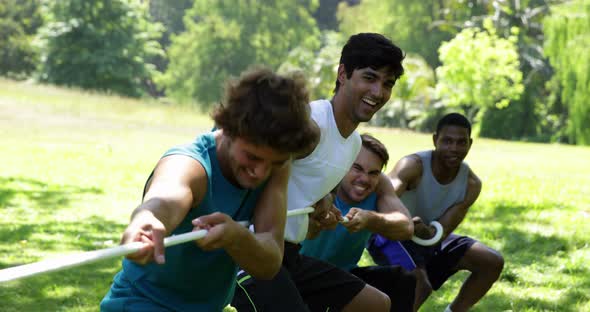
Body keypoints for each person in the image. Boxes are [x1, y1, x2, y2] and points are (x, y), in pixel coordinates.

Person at [100, 67, 320, 311]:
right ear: (228, 128)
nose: (260, 172)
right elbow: (163, 201)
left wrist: (236, 237)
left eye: (274, 162)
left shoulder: (276, 164)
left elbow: (269, 262)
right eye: (252, 157)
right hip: (142, 304)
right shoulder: (190, 164)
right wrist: (146, 221)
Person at [232, 33, 413, 312]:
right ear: (343, 73)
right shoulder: (312, 123)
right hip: (252, 254)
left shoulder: (353, 144)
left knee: (376, 304)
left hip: (289, 254)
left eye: (387, 84)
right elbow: (244, 172)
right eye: (369, 77)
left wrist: (321, 210)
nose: (378, 92)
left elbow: (308, 204)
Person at [367, 113, 505, 312]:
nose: (454, 149)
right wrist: (404, 221)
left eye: (461, 142)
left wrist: (425, 232)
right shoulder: (413, 166)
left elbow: (442, 230)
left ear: (470, 143)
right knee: (419, 285)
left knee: (491, 261)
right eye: (447, 141)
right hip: (389, 233)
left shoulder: (471, 184)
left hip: (426, 238)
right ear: (435, 140)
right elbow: (382, 197)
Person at [300, 133, 416, 311]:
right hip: (301, 273)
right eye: (357, 168)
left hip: (343, 274)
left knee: (402, 280)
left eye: (373, 173)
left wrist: (370, 219)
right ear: (343, 164)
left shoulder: (380, 185)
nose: (364, 178)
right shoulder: (325, 177)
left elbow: (406, 227)